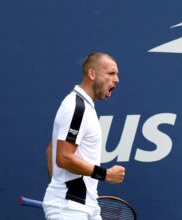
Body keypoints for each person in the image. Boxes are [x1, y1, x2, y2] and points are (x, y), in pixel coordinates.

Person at [43, 52, 125, 220]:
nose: (116, 79)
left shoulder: (85, 107)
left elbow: (51, 150)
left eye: (116, 74)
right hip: (70, 209)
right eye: (110, 73)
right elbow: (63, 157)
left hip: (83, 205)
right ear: (92, 73)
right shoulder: (77, 108)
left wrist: (60, 188)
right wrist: (106, 174)